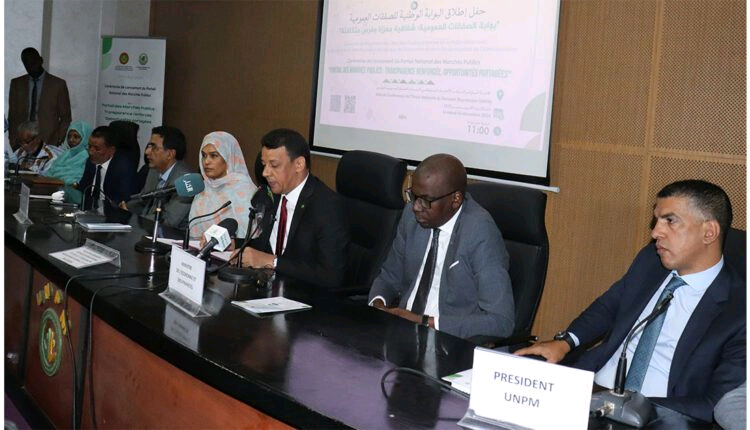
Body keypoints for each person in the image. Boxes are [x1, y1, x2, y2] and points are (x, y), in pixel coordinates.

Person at [516, 179, 745, 423]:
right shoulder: (651, 261)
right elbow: (608, 307)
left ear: (709, 232)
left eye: (670, 221)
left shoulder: (740, 310)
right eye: (656, 220)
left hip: (658, 415)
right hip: (593, 390)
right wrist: (565, 342)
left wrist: (628, 407)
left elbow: (714, 402)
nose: (655, 232)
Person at [367, 154, 515, 340]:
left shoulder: (480, 232)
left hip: (449, 340)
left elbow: (501, 321)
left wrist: (424, 322)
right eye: (413, 196)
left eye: (425, 200)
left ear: (455, 199)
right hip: (403, 332)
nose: (416, 207)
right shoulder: (411, 217)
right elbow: (389, 276)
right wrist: (378, 306)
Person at [238, 128, 349, 289]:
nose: (265, 173)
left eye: (274, 165)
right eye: (264, 165)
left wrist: (273, 262)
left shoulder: (327, 206)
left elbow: (331, 276)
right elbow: (265, 247)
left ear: (299, 164)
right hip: (268, 287)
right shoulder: (271, 195)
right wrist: (234, 245)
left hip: (305, 295)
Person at [120, 126, 193, 229]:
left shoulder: (185, 181)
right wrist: (124, 208)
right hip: (148, 229)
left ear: (170, 154)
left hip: (170, 235)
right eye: (149, 146)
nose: (147, 152)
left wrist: (132, 218)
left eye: (154, 147)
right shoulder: (154, 171)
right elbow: (143, 202)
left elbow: (168, 220)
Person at [188, 131, 255, 240]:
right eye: (204, 156)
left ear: (228, 157)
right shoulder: (203, 188)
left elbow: (249, 235)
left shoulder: (244, 189)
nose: (206, 161)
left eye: (214, 155)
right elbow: (194, 231)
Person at [8, 47, 71, 147]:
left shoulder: (58, 84)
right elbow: (12, 115)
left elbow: (66, 117)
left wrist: (58, 139)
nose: (30, 66)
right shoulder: (17, 84)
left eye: (33, 62)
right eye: (27, 63)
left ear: (41, 60)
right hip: (22, 142)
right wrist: (13, 139)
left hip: (48, 141)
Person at [77, 125, 137, 211]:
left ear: (111, 150)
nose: (91, 152)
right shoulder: (90, 163)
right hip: (88, 210)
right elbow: (83, 190)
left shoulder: (123, 168)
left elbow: (122, 200)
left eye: (97, 149)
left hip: (110, 212)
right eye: (89, 147)